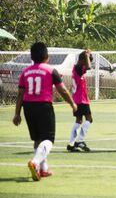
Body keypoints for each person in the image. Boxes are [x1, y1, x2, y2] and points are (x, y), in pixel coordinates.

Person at [13, 42, 77, 181]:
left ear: (32, 57)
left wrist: (17, 113)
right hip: (43, 106)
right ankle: (35, 163)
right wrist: (72, 104)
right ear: (46, 56)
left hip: (28, 107)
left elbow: (20, 95)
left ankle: (43, 170)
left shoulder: (25, 72)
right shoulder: (50, 70)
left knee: (37, 139)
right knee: (48, 139)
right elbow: (62, 90)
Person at [67, 50, 93, 152]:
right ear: (82, 60)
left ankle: (71, 144)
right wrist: (87, 56)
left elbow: (87, 66)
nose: (88, 63)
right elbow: (89, 67)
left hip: (77, 98)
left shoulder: (77, 68)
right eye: (87, 60)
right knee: (89, 119)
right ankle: (80, 141)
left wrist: (87, 56)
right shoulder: (78, 68)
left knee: (79, 121)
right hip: (81, 99)